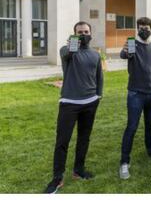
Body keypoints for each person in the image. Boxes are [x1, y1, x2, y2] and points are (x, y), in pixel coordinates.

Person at [44, 21, 103, 194]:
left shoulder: (95, 54)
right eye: (80, 32)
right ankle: (57, 178)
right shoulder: (67, 50)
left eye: (86, 31)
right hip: (70, 103)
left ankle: (79, 170)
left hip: (91, 102)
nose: (84, 34)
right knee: (62, 141)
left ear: (91, 33)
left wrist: (98, 95)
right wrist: (73, 42)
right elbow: (68, 52)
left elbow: (99, 77)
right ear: (74, 34)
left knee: (84, 138)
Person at [119, 17, 151, 180]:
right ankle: (124, 162)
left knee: (150, 125)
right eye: (141, 27)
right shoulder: (132, 44)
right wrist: (125, 50)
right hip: (135, 94)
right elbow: (124, 55)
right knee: (131, 127)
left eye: (146, 28)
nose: (144, 30)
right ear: (137, 29)